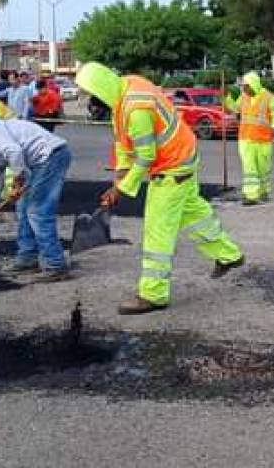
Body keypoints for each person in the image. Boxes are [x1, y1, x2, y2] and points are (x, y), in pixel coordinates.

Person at [75, 62, 245, 315]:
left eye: (91, 95)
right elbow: (124, 143)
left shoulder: (135, 110)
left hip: (171, 168)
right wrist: (118, 181)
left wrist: (123, 190)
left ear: (102, 90)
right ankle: (230, 255)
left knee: (157, 233)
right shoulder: (126, 87)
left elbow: (145, 156)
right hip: (184, 159)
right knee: (196, 215)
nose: (90, 101)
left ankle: (153, 294)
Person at [0, 118, 73, 282]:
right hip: (39, 162)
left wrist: (18, 182)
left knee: (38, 211)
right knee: (23, 208)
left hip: (51, 156)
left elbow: (14, 151)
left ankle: (55, 265)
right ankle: (27, 258)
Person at [225, 71, 274, 205]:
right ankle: (251, 195)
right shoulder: (243, 97)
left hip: (264, 140)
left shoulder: (269, 97)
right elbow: (235, 109)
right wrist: (226, 99)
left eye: (246, 86)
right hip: (245, 139)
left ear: (254, 85)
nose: (243, 89)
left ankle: (264, 191)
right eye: (243, 86)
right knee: (249, 169)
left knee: (263, 169)